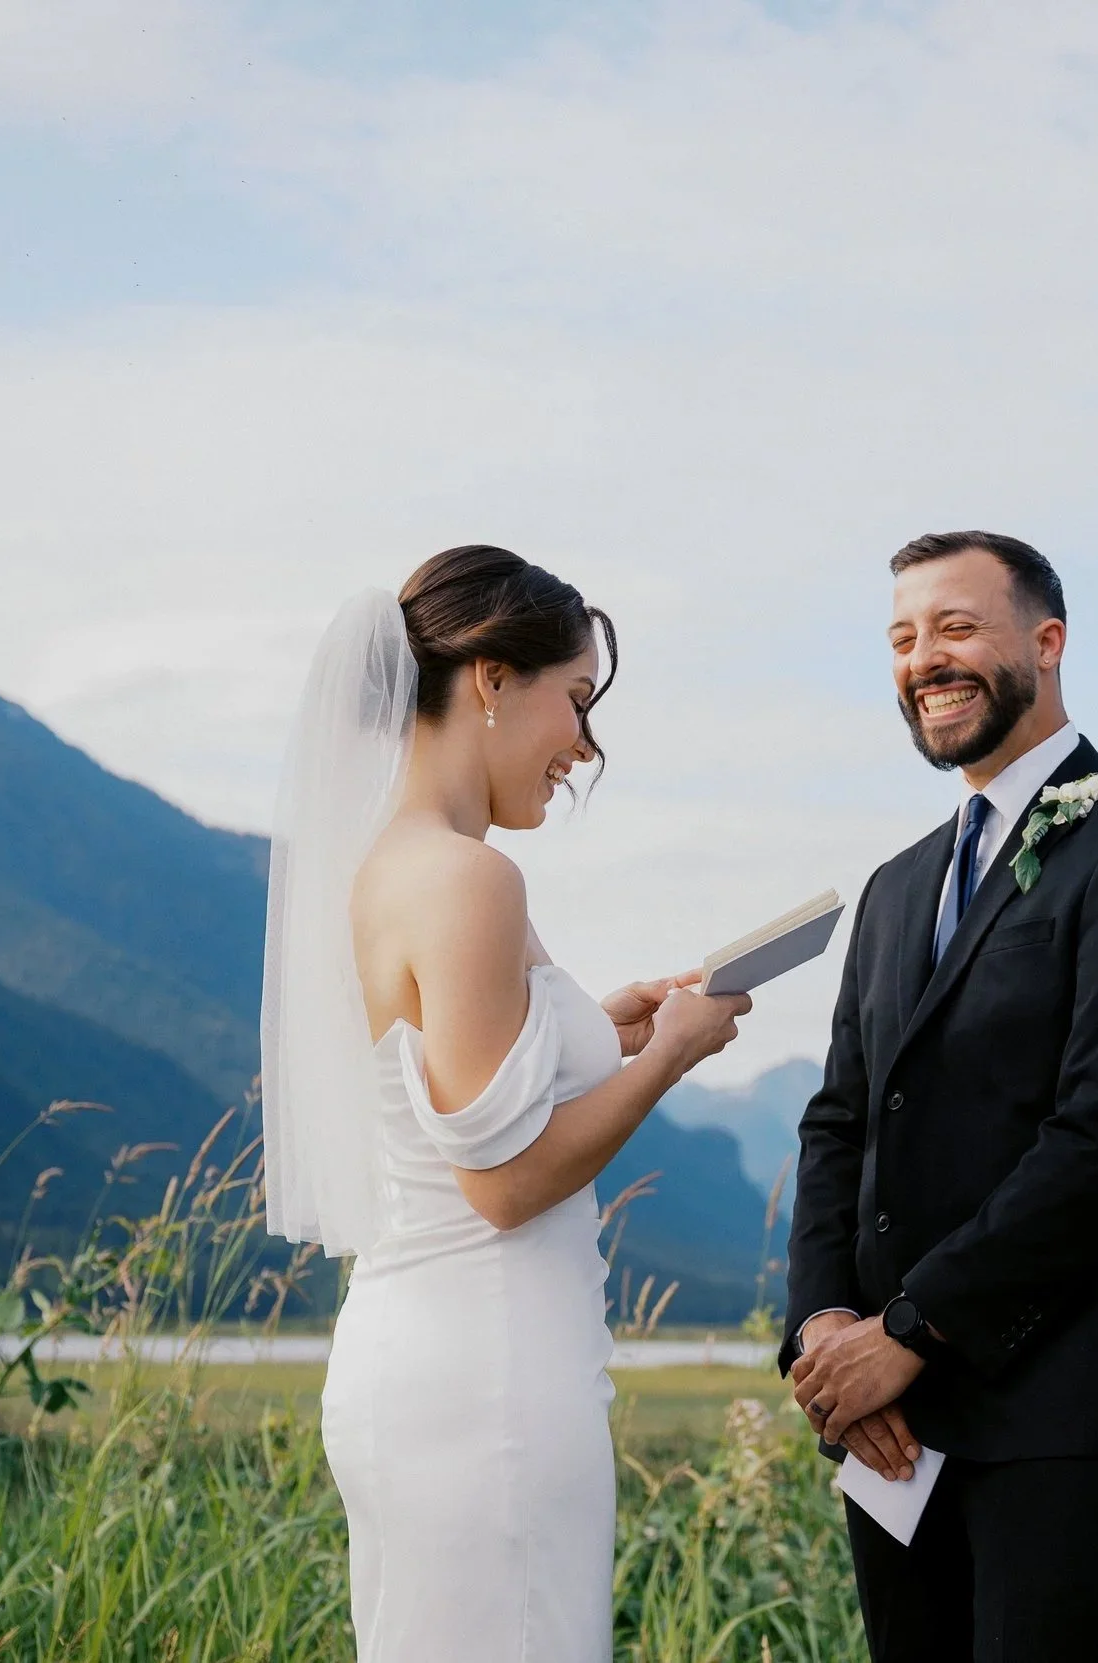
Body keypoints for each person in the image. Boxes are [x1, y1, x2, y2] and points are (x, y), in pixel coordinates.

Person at [259, 546, 752, 1662]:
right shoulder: (469, 879)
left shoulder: (395, 864)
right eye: (573, 700)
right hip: (485, 1383)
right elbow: (504, 1182)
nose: (583, 745)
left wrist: (609, 1029)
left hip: (430, 1364)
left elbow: (459, 1101)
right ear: (490, 679)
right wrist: (665, 1057)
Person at [784, 531, 1098, 1662]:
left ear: (1047, 641)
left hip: (1065, 1414)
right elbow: (841, 1121)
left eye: (954, 627)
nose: (922, 659)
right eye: (900, 638)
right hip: (891, 1429)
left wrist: (914, 1327)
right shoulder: (893, 889)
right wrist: (825, 1332)